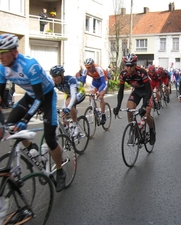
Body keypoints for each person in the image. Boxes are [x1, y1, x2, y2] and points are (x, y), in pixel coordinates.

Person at [0, 34, 65, 192]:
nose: (0, 57)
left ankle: (59, 170)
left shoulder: (30, 65)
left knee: (50, 139)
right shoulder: (2, 67)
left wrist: (26, 119)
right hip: (29, 96)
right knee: (10, 125)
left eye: (3, 52)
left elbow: (40, 98)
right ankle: (31, 147)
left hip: (46, 96)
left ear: (14, 52)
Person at [112, 53, 156, 145]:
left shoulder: (142, 72)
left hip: (146, 91)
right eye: (127, 66)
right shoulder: (123, 74)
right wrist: (118, 106)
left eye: (131, 66)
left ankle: (152, 131)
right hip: (137, 91)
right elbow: (121, 91)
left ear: (135, 65)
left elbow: (149, 91)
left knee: (146, 114)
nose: (129, 68)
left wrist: (143, 106)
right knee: (129, 109)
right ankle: (134, 129)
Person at [50, 65, 86, 136]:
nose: (54, 79)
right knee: (63, 113)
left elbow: (73, 96)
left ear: (62, 75)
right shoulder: (54, 82)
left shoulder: (70, 80)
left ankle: (76, 126)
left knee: (68, 104)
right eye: (53, 77)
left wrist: (68, 108)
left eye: (56, 76)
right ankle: (68, 132)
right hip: (69, 94)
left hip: (79, 92)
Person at [81, 58, 108, 125]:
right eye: (86, 67)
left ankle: (103, 115)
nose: (88, 69)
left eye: (89, 67)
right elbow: (82, 82)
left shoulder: (98, 69)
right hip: (95, 83)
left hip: (103, 82)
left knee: (100, 97)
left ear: (93, 65)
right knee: (90, 97)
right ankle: (97, 110)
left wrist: (99, 91)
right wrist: (80, 90)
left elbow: (103, 83)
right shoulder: (85, 70)